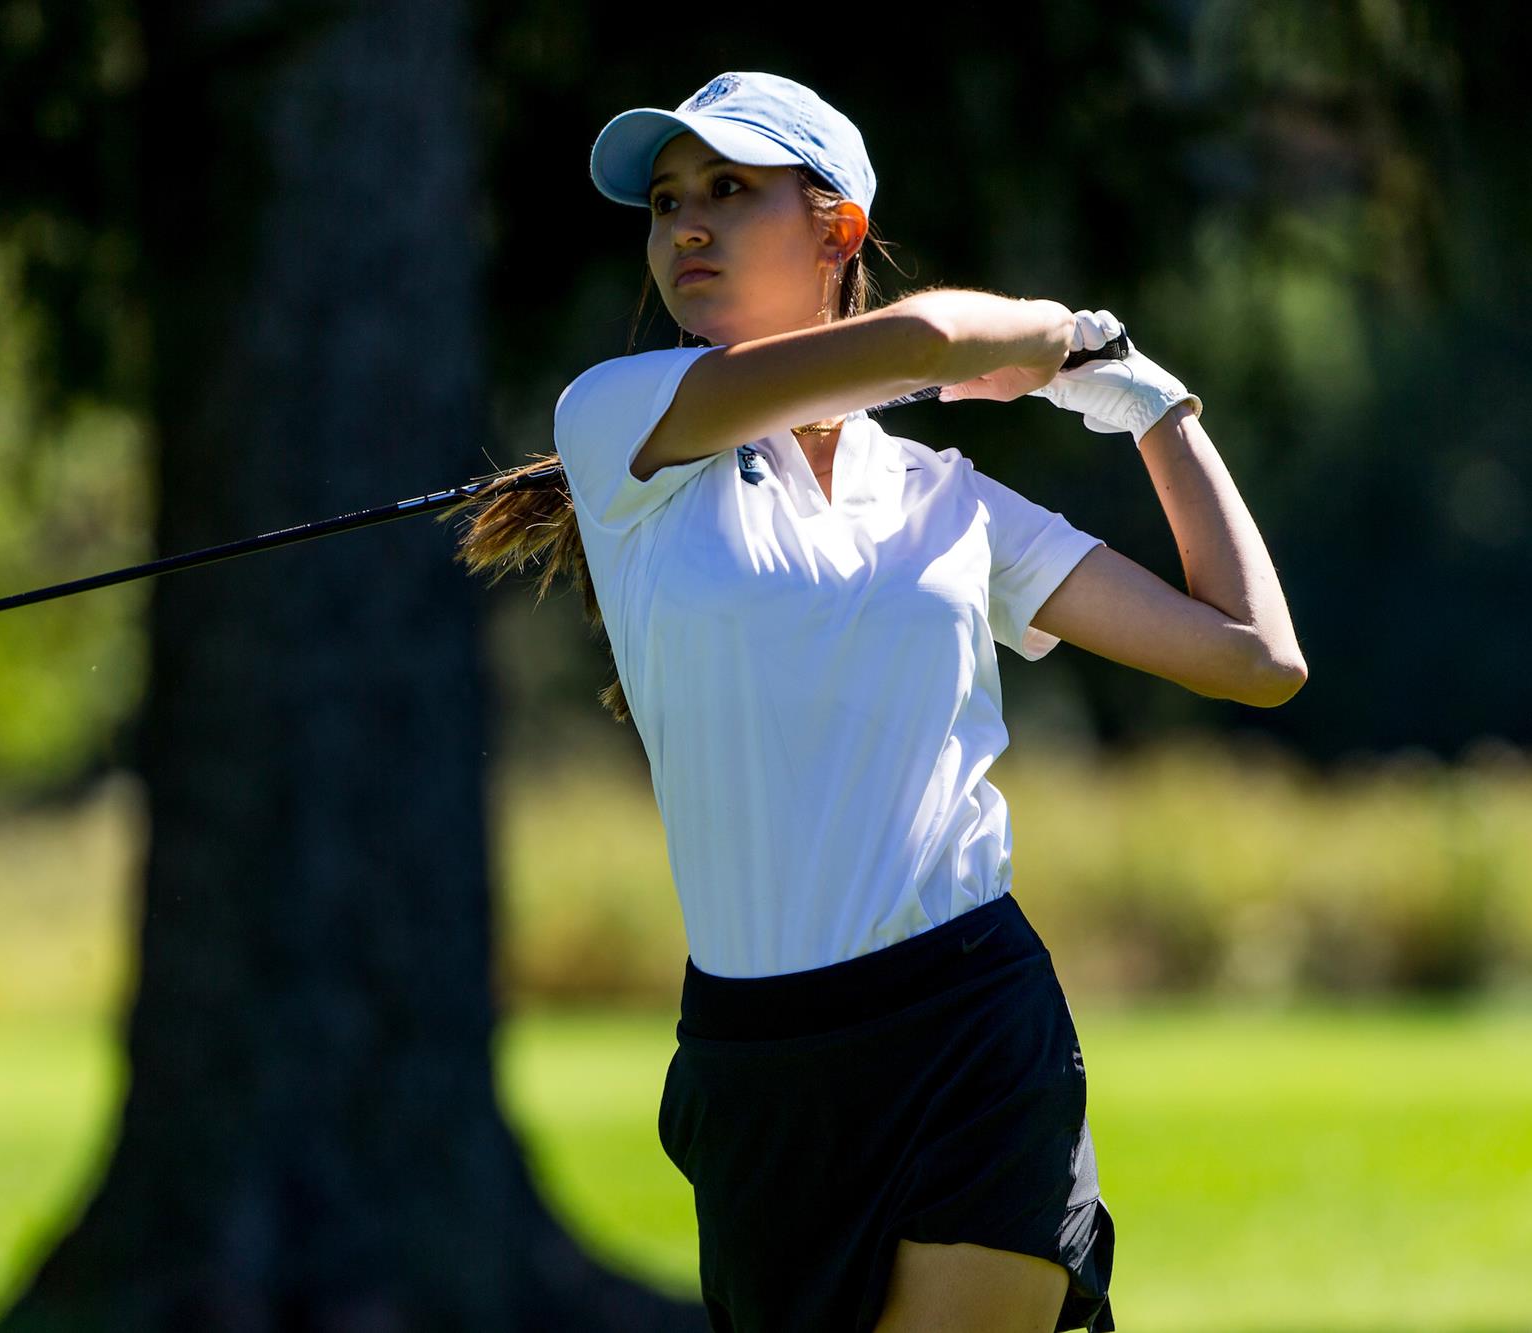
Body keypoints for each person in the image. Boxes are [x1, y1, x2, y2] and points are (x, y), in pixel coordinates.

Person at [454, 71, 1305, 1333]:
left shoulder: (945, 501)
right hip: (761, 1067)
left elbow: (1249, 655)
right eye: (667, 201)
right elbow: (921, 343)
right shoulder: (616, 421)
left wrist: (1148, 404)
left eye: (730, 191)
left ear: (835, 229)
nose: (685, 223)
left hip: (971, 1022)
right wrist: (1053, 331)